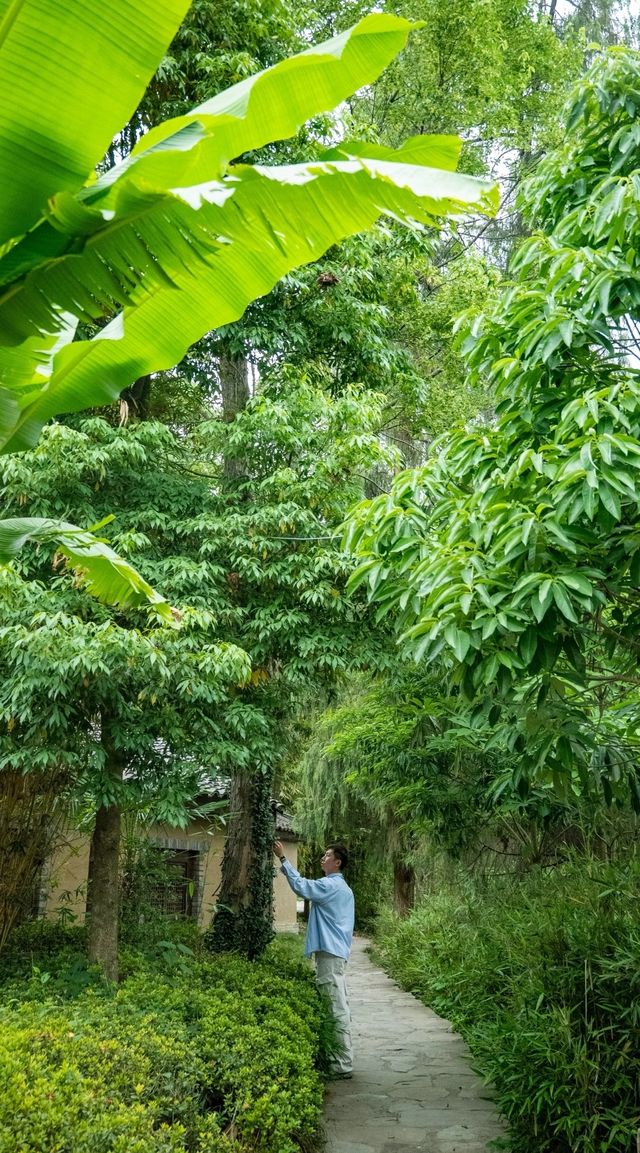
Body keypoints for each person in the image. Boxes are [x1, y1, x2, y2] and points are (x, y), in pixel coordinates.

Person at [274, 839, 355, 1076]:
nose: (323, 858)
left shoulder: (331, 886)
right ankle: (338, 1060)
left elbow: (302, 886)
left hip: (330, 953)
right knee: (336, 1004)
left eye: (327, 855)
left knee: (335, 1006)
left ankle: (341, 1065)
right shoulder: (342, 888)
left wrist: (282, 858)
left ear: (337, 862)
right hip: (333, 953)